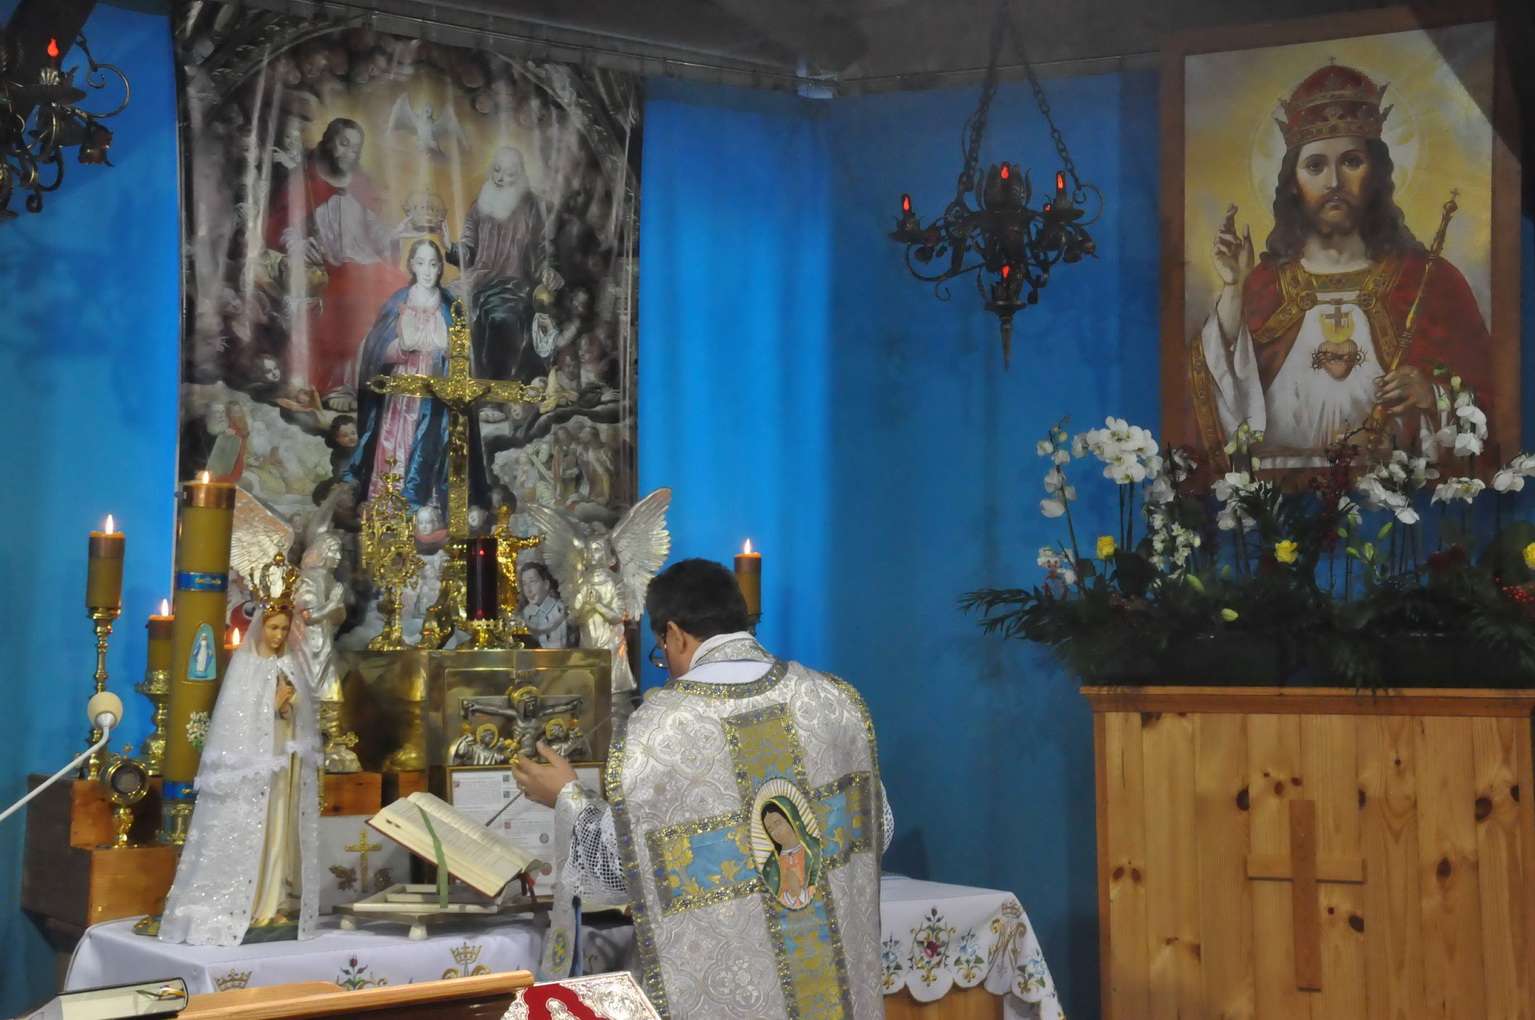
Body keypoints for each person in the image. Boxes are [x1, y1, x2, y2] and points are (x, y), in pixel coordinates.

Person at [513, 559, 890, 1017]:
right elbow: (876, 827)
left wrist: (567, 797)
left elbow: (621, 868)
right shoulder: (831, 698)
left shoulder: (661, 728)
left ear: (674, 634)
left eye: (661, 650)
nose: (666, 665)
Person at [1192, 63, 1493, 470]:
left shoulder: (1429, 281)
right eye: (1315, 166)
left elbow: (1492, 402)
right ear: (1293, 181)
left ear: (1376, 174)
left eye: (1351, 161)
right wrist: (1232, 290)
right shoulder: (1263, 285)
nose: (1333, 181)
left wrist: (1432, 396)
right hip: (1278, 495)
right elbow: (1212, 397)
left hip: (1393, 493)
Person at [160, 588, 322, 946]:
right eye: (273, 628)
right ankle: (248, 904)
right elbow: (236, 721)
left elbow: (299, 717)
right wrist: (270, 706)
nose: (278, 636)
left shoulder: (288, 666)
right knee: (255, 832)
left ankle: (274, 901)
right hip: (254, 769)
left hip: (282, 768)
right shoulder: (245, 667)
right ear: (260, 627)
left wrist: (287, 708)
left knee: (278, 832)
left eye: (284, 629)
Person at [266, 117, 408, 411]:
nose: (349, 153)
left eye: (356, 148)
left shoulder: (361, 184)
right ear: (328, 141)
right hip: (331, 268)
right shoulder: (305, 182)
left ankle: (386, 383)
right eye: (344, 144)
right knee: (350, 304)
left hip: (369, 265)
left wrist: (398, 234)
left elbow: (375, 234)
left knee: (404, 294)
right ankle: (341, 385)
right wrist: (300, 245)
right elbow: (283, 225)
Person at [341, 239, 488, 510]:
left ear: (440, 267)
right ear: (412, 265)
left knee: (433, 444)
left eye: (433, 264)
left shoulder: (450, 305)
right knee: (397, 441)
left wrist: (450, 349)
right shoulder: (398, 302)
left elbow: (464, 354)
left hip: (439, 389)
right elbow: (376, 351)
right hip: (402, 389)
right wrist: (401, 346)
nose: (428, 271)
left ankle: (427, 509)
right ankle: (389, 506)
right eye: (421, 263)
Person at [451, 146, 559, 383]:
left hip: (514, 286)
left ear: (520, 175)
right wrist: (450, 248)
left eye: (508, 174)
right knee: (443, 305)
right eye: (497, 170)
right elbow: (468, 251)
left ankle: (494, 389)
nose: (499, 178)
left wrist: (548, 269)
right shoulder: (479, 206)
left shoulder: (535, 208)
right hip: (477, 280)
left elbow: (544, 250)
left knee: (501, 318)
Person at [519, 560, 571, 649]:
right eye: (524, 584)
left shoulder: (564, 610)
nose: (528, 590)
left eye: (532, 581)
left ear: (546, 584)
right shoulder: (523, 616)